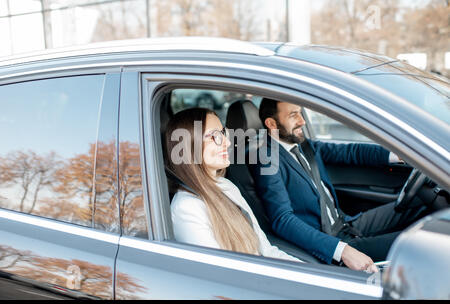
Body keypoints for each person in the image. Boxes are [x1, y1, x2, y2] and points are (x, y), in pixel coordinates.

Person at [249, 98, 426, 273]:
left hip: (346, 223)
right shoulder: (267, 160)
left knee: (421, 202)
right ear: (272, 123)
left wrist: (400, 155)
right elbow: (283, 220)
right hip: (330, 241)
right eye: (293, 115)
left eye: (301, 113)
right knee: (420, 243)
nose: (302, 121)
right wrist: (343, 251)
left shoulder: (304, 146)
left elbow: (351, 152)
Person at [165, 107, 300, 262]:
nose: (227, 142)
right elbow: (220, 274)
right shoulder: (187, 208)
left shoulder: (226, 186)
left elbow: (266, 250)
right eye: (215, 136)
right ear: (189, 146)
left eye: (223, 133)